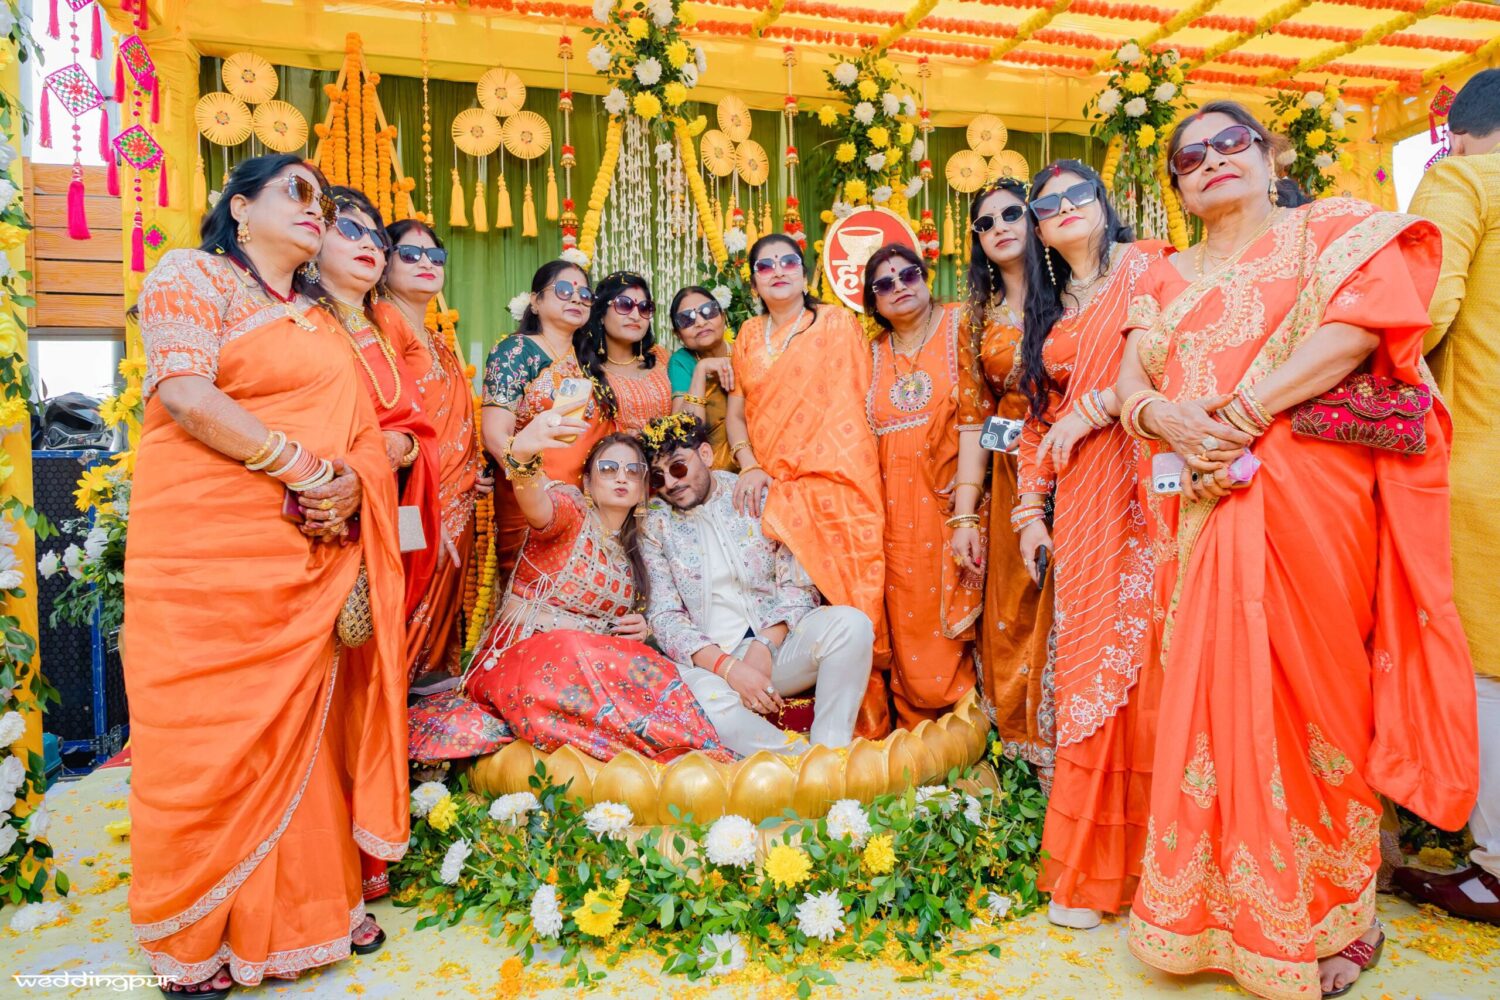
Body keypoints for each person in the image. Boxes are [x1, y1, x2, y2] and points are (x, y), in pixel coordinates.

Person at [1113, 101, 1478, 999]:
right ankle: (1218, 915)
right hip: (1195, 503)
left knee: (1321, 698)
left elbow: (1360, 330)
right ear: (1177, 189)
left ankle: (1337, 915)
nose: (1212, 160)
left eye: (1231, 142)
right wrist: (1164, 417)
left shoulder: (1332, 232)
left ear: (1269, 155)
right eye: (1190, 157)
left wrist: (1241, 413)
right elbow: (1130, 382)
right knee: (1209, 702)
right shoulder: (1160, 273)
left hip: (1310, 498)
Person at [125, 155, 403, 994]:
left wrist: (349, 482)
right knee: (211, 734)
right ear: (240, 208)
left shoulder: (323, 320)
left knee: (310, 731)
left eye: (325, 201)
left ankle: (315, 908)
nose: (316, 209)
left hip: (310, 557)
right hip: (208, 561)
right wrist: (303, 469)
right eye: (297, 191)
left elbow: (363, 435)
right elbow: (185, 396)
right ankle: (193, 930)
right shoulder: (192, 275)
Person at [1014, 160, 1166, 931]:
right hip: (1082, 503)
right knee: (1090, 669)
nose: (1066, 209)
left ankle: (1165, 869)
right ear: (1040, 231)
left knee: (1155, 661)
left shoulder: (1150, 268)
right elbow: (1038, 422)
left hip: (1155, 482)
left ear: (1105, 205)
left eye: (1079, 196)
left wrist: (1101, 405)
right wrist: (1028, 514)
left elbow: (1185, 354)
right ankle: (1093, 866)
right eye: (1049, 206)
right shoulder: (1047, 314)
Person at [409, 425, 732, 764]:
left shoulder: (635, 553)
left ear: (642, 489)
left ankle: (692, 755)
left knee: (648, 662)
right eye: (608, 469)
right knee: (571, 646)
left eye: (633, 471)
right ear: (588, 483)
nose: (621, 477)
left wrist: (642, 633)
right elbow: (536, 504)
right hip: (521, 664)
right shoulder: (570, 513)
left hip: (587, 674)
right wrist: (523, 459)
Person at [1394, 69, 1500, 926]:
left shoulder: (1463, 180)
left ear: (1454, 132)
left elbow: (1419, 314)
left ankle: (1493, 867)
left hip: (1482, 462)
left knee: (1486, 664)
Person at [726, 233, 890, 739]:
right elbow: (737, 414)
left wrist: (823, 472)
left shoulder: (835, 324)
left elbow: (855, 407)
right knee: (778, 592)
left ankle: (861, 723)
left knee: (851, 597)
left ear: (805, 273)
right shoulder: (748, 335)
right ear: (753, 281)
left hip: (840, 482)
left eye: (788, 262)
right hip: (770, 489)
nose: (778, 271)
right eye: (766, 265)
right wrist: (749, 464)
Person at [638, 414, 875, 755]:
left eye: (678, 467)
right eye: (659, 477)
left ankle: (830, 751)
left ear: (705, 454)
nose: (671, 484)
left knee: (852, 625)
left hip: (780, 646)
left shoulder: (754, 493)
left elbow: (798, 584)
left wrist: (764, 645)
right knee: (703, 705)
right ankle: (800, 762)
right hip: (713, 665)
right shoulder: (655, 524)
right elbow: (665, 617)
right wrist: (729, 668)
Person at [951, 178, 1056, 781]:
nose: (999, 228)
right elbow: (975, 421)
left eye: (1011, 213)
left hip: (1084, 462)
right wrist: (964, 514)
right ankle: (1027, 752)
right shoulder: (976, 320)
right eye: (985, 223)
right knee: (1018, 605)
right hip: (1013, 475)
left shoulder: (1075, 294)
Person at [861, 244, 979, 728]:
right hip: (892, 517)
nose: (899, 287)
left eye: (908, 275)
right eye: (884, 284)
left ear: (925, 277)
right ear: (873, 302)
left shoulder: (963, 325)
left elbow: (995, 407)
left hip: (961, 502)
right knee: (906, 616)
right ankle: (917, 736)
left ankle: (973, 730)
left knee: (963, 616)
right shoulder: (867, 354)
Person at [318, 187, 441, 625]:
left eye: (377, 238)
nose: (370, 244)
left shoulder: (379, 325)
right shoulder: (299, 318)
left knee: (378, 631)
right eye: (351, 230)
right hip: (317, 503)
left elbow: (414, 427)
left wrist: (395, 447)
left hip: (387, 499)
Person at [376, 218, 488, 685]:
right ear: (384, 263)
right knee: (405, 608)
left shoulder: (438, 342)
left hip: (456, 500)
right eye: (410, 254)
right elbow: (389, 423)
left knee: (437, 622)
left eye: (435, 256)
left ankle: (423, 714)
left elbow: (451, 423)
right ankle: (387, 711)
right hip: (412, 500)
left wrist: (472, 468)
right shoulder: (384, 321)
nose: (426, 263)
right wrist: (422, 512)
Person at [480, 260, 594, 579]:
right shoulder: (516, 351)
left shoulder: (587, 362)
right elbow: (494, 435)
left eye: (585, 294)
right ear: (535, 301)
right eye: (563, 290)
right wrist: (543, 488)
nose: (576, 298)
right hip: (530, 501)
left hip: (584, 507)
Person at [579, 270, 673, 434]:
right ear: (601, 314)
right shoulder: (583, 367)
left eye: (644, 308)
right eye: (624, 304)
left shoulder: (661, 356)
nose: (636, 316)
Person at [667, 285, 738, 471]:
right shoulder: (682, 361)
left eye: (708, 311)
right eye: (686, 319)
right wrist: (701, 369)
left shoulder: (744, 350)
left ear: (723, 316)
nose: (700, 322)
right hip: (711, 471)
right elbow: (685, 432)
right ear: (678, 334)